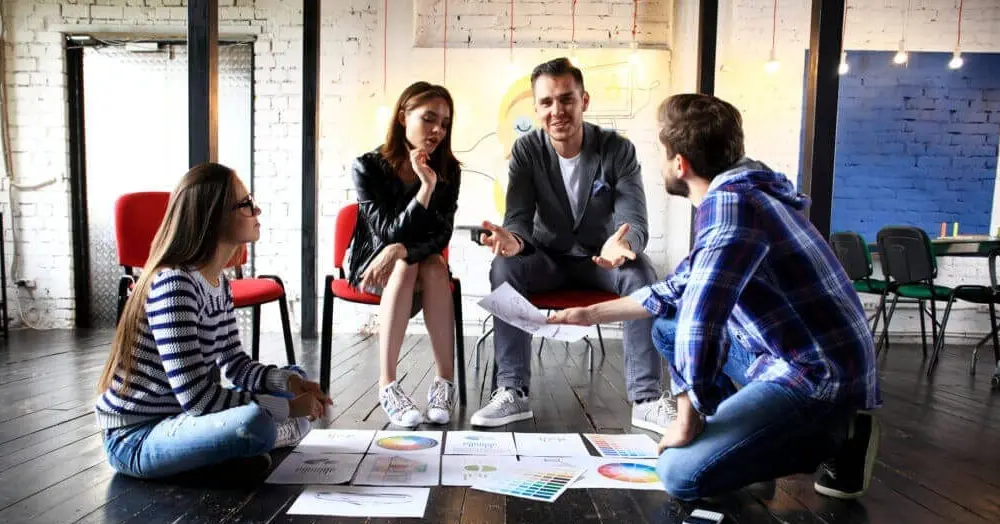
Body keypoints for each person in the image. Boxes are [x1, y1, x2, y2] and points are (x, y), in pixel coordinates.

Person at [548, 93, 882, 501]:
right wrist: (589, 314)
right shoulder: (743, 191)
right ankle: (746, 445)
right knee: (666, 327)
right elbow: (678, 289)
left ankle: (840, 437)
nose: (659, 162)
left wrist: (686, 418)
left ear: (680, 164)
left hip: (818, 377)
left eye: (661, 151)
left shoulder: (730, 208)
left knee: (679, 474)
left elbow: (700, 320)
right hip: (792, 354)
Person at [95, 163, 331, 482]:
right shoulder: (175, 286)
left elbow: (235, 365)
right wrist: (287, 409)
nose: (257, 210)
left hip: (180, 416)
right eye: (246, 204)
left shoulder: (218, 284)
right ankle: (256, 437)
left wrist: (289, 385)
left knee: (293, 376)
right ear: (216, 216)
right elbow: (198, 399)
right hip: (135, 438)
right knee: (255, 422)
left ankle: (235, 446)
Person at [471, 57, 669, 431]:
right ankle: (512, 390)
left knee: (641, 271)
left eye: (566, 99)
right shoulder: (527, 151)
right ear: (536, 108)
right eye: (546, 102)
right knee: (503, 266)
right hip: (547, 261)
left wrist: (624, 243)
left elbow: (635, 217)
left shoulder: (617, 149)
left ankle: (647, 398)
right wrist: (514, 241)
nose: (557, 110)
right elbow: (518, 217)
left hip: (601, 261)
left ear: (584, 101)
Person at [346, 82, 462, 427]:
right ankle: (388, 385)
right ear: (402, 117)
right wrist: (425, 189)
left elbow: (442, 233)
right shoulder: (367, 166)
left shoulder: (449, 170)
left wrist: (403, 248)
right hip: (375, 268)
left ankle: (444, 383)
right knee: (406, 265)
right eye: (429, 119)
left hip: (420, 265)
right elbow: (386, 233)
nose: (437, 130)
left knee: (433, 265)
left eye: (444, 123)